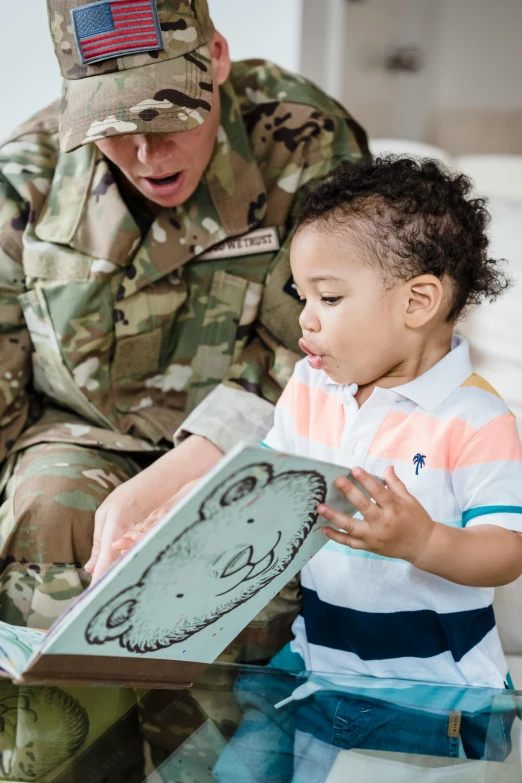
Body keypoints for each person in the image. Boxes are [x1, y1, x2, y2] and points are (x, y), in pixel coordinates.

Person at [0, 0, 369, 664]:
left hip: (261, 433)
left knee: (237, 550)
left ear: (217, 58)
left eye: (169, 114)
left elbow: (332, 337)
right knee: (49, 509)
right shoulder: (25, 178)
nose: (148, 154)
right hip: (84, 433)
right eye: (114, 125)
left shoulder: (304, 139)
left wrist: (190, 466)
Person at [138, 156, 520, 780]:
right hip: (314, 666)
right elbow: (269, 479)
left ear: (418, 300)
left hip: (431, 699)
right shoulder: (312, 387)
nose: (306, 319)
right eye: (302, 296)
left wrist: (422, 540)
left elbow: (507, 549)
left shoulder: (477, 420)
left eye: (330, 297)